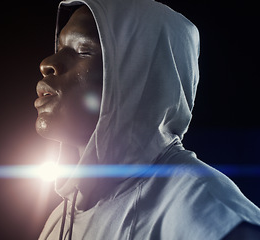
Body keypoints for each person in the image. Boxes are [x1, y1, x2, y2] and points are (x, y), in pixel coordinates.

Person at [34, 0, 260, 239]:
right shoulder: (59, 221)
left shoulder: (200, 203)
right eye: (60, 49)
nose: (47, 64)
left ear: (141, 76)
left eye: (83, 50)